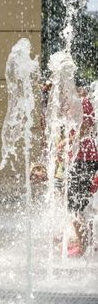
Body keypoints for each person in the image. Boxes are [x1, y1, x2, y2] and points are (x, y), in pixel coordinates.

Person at [66, 86, 98, 257]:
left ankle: (83, 243)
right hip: (86, 158)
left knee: (75, 204)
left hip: (82, 159)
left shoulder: (81, 102)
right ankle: (86, 241)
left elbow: (84, 127)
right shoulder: (84, 102)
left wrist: (68, 143)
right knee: (83, 204)